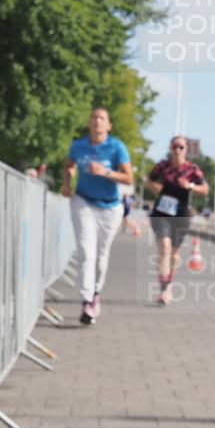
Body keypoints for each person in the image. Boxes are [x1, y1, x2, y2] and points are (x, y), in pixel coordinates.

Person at [62, 108, 133, 324]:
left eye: (102, 118)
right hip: (83, 201)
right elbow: (69, 166)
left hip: (110, 207)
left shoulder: (116, 147)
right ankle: (86, 300)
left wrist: (106, 172)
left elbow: (129, 178)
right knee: (86, 252)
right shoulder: (79, 146)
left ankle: (95, 292)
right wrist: (67, 182)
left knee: (101, 257)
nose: (97, 121)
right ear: (89, 122)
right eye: (94, 117)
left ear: (109, 125)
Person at [145, 136, 208, 305]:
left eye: (181, 147)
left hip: (181, 213)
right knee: (164, 247)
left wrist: (190, 186)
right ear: (170, 148)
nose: (177, 150)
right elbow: (149, 181)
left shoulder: (192, 169)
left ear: (186, 150)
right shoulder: (162, 166)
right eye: (175, 146)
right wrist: (154, 188)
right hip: (162, 211)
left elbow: (205, 189)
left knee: (173, 254)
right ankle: (164, 289)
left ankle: (169, 281)